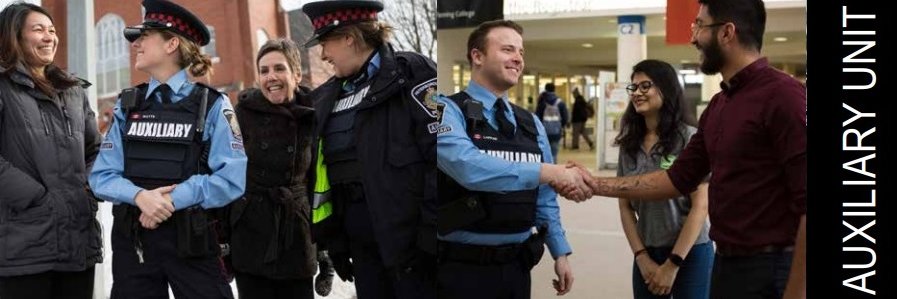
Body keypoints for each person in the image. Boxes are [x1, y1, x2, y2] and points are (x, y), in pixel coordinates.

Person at [562, 1, 806, 298]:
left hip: (775, 267)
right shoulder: (719, 106)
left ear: (727, 32)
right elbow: (674, 180)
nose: (692, 38)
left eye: (699, 26)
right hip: (727, 265)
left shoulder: (783, 95)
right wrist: (593, 183)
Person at [88, 0, 247, 298]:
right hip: (134, 244)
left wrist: (169, 200)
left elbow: (232, 179)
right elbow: (101, 177)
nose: (136, 44)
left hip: (192, 240)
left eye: (145, 36)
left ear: (172, 43)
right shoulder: (126, 104)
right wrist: (140, 197)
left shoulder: (212, 104)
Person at [436, 19, 592, 299]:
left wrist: (560, 250)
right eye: (508, 50)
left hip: (516, 269)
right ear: (477, 56)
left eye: (521, 52)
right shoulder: (445, 110)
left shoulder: (530, 122)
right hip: (459, 271)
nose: (518, 59)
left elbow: (543, 196)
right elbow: (466, 166)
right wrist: (548, 171)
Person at [300, 0, 437, 298]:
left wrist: (429, 237)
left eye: (326, 43)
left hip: (412, 249)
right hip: (362, 249)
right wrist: (332, 239)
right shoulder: (324, 98)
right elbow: (324, 176)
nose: (323, 55)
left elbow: (439, 159)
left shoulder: (413, 75)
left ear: (349, 37)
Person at [0, 3, 102, 299]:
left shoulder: (73, 90)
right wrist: (38, 199)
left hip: (79, 242)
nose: (49, 37)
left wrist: (88, 187)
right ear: (13, 36)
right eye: (38, 30)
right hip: (22, 246)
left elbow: (95, 149)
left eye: (52, 30)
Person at [229, 38, 327, 299]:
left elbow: (321, 179)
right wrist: (223, 241)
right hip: (251, 233)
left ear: (296, 73)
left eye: (279, 68)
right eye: (264, 71)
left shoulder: (315, 113)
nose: (271, 77)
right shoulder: (242, 114)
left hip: (297, 233)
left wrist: (326, 245)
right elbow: (225, 173)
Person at [616, 60, 712, 299]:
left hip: (690, 253)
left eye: (645, 86)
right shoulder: (629, 144)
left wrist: (673, 264)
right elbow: (625, 205)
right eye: (634, 87)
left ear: (666, 88)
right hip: (647, 252)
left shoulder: (690, 138)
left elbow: (700, 207)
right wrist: (641, 257)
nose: (637, 93)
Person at [535, 82, 568, 160]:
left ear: (546, 89)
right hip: (556, 131)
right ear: (554, 89)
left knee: (543, 152)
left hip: (543, 131)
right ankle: (553, 168)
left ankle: (546, 169)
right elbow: (565, 117)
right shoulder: (560, 103)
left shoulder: (541, 101)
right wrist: (561, 126)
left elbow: (537, 117)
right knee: (554, 152)